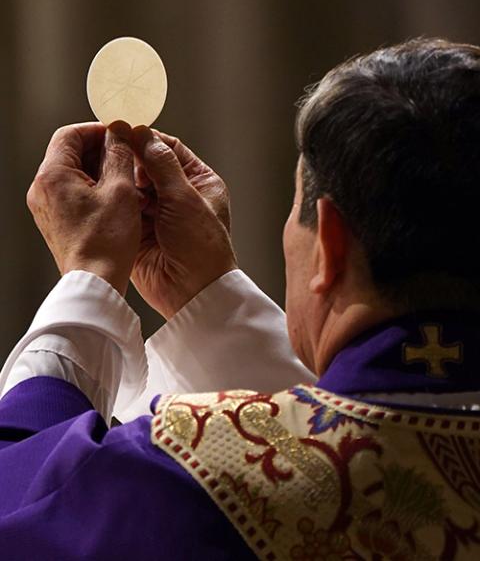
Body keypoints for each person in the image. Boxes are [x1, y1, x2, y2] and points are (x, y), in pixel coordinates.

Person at [1, 37, 480, 559]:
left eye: (298, 205)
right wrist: (208, 299)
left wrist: (88, 277)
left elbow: (21, 507)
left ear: (330, 244)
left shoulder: (189, 475)